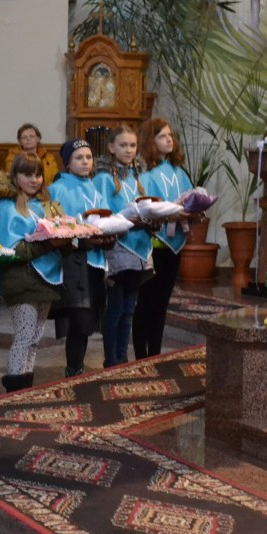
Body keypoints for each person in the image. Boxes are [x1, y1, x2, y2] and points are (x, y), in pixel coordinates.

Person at [0, 153, 65, 393]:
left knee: (35, 338)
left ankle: (25, 386)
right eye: (27, 174)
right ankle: (14, 388)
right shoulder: (4, 207)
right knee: (24, 336)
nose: (34, 179)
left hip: (46, 278)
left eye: (38, 174)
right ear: (15, 176)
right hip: (20, 279)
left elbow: (63, 235)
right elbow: (11, 250)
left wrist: (72, 237)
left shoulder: (48, 205)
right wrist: (48, 243)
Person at [135, 118, 199, 359]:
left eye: (170, 135)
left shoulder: (179, 172)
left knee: (162, 303)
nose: (169, 139)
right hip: (153, 243)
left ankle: (156, 354)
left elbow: (190, 198)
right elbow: (143, 207)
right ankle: (141, 357)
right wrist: (169, 212)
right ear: (150, 141)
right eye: (162, 136)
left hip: (174, 245)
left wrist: (196, 211)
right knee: (145, 303)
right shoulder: (145, 173)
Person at [48, 140, 112, 378]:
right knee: (79, 317)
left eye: (88, 157)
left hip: (95, 260)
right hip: (74, 260)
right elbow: (54, 228)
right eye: (79, 158)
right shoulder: (57, 190)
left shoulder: (94, 187)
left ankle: (78, 366)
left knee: (89, 317)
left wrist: (109, 237)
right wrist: (82, 240)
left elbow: (106, 218)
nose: (85, 162)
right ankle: (73, 368)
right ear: (67, 163)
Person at [94, 126, 151, 368]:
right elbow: (102, 213)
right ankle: (111, 360)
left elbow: (149, 205)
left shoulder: (139, 177)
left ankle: (123, 359)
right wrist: (127, 219)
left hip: (138, 246)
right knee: (115, 308)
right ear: (111, 147)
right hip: (117, 247)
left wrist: (151, 218)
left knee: (129, 309)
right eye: (123, 145)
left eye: (132, 145)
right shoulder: (103, 178)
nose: (129, 150)